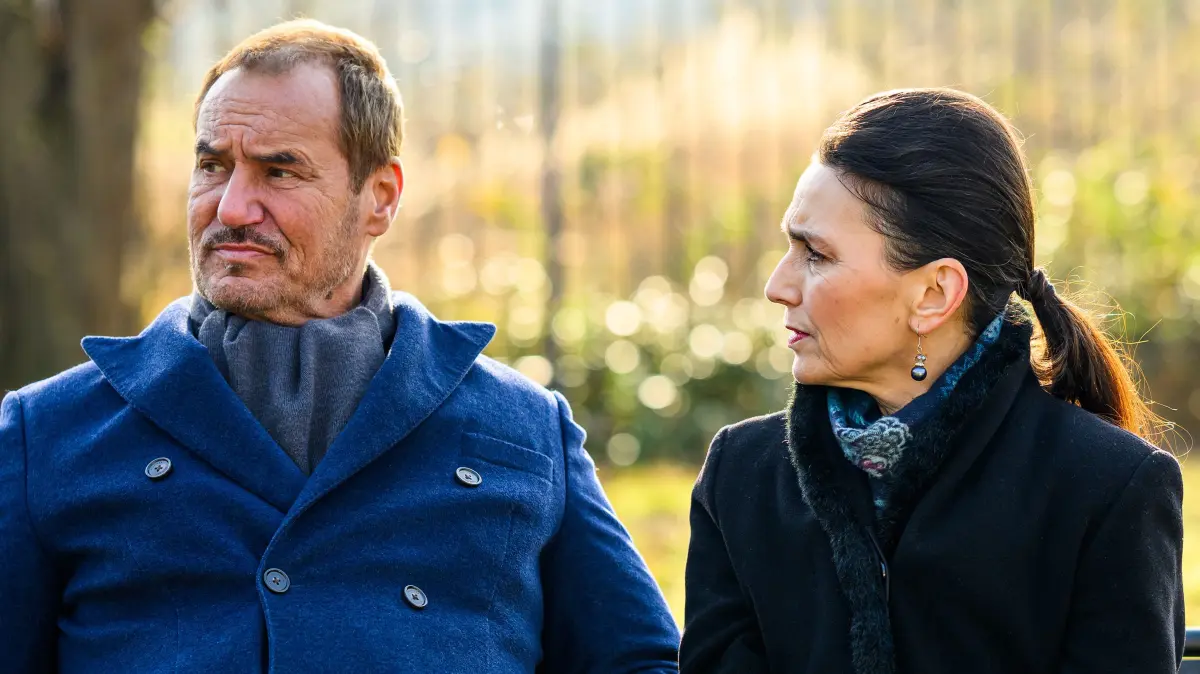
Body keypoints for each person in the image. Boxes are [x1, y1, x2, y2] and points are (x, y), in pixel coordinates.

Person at [0, 20, 679, 673]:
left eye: (279, 172)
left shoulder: (525, 429)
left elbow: (644, 662)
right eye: (212, 165)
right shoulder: (46, 435)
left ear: (379, 198)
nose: (231, 207)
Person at [679, 88, 1184, 674]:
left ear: (934, 294)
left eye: (816, 255)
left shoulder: (1109, 489)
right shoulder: (741, 476)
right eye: (790, 246)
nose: (777, 286)